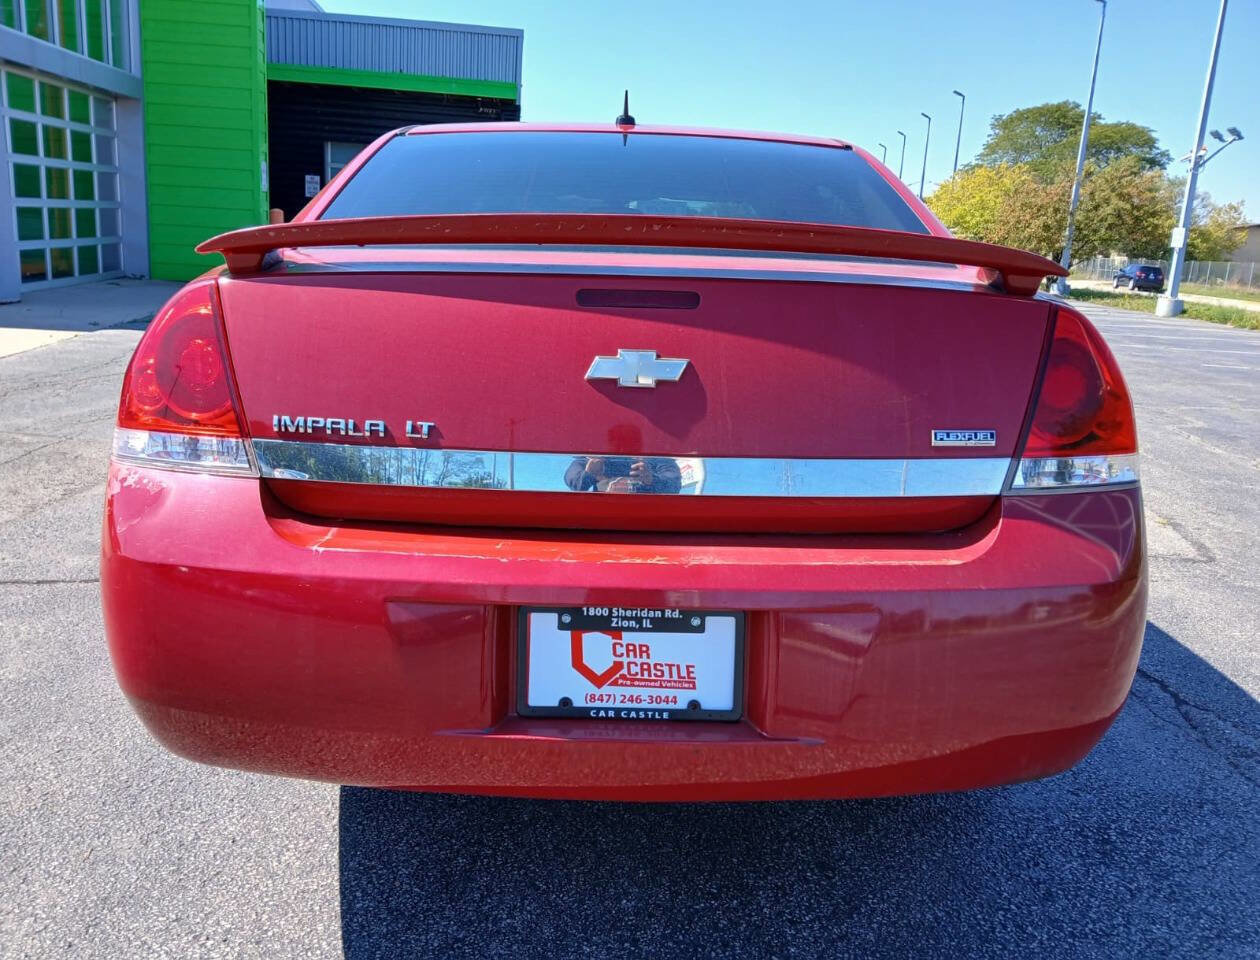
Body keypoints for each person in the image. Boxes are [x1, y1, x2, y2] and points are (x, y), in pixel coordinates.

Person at [562, 456, 681, 494]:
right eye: (614, 438)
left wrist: (652, 480)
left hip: (650, 520)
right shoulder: (591, 458)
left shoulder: (657, 459)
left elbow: (674, 485)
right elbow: (574, 484)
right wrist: (588, 474)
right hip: (601, 519)